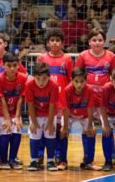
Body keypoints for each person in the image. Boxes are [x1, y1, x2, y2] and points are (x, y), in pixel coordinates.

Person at [75, 28, 115, 167]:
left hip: (103, 101)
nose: (97, 43)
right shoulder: (83, 56)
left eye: (100, 40)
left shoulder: (111, 56)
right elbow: (77, 78)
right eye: (94, 40)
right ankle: (87, 156)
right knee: (87, 128)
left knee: (106, 127)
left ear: (105, 41)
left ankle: (112, 156)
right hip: (87, 100)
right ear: (89, 42)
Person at [37, 28, 74, 166]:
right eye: (52, 40)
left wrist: (69, 98)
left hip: (61, 101)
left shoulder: (67, 59)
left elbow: (71, 81)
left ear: (62, 43)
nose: (54, 43)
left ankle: (58, 153)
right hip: (45, 100)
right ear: (47, 43)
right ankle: (40, 154)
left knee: (58, 127)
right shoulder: (42, 58)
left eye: (57, 40)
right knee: (43, 127)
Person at [0, 33, 28, 165]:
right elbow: (1, 100)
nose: (12, 68)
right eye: (9, 65)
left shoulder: (22, 78)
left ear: (18, 65)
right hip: (2, 109)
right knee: (5, 131)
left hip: (15, 109)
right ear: (3, 65)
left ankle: (13, 158)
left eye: (14, 65)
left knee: (17, 129)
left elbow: (20, 98)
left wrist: (17, 117)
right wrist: (7, 118)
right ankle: (4, 160)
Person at [58, 67, 102, 170]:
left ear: (86, 81)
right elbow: (66, 109)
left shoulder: (89, 89)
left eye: (81, 81)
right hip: (70, 115)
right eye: (76, 81)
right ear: (72, 80)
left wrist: (91, 125)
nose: (79, 84)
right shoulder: (68, 89)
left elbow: (90, 107)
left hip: (85, 115)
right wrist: (64, 127)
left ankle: (89, 161)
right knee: (63, 132)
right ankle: (63, 161)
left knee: (92, 132)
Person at [25, 62, 59, 171]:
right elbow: (30, 104)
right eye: (38, 78)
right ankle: (34, 160)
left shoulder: (53, 85)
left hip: (49, 112)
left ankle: (50, 160)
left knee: (50, 134)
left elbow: (52, 105)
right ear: (34, 76)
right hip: (35, 113)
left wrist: (50, 123)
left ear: (49, 77)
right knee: (34, 134)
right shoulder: (29, 84)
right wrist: (34, 122)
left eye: (44, 78)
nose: (41, 82)